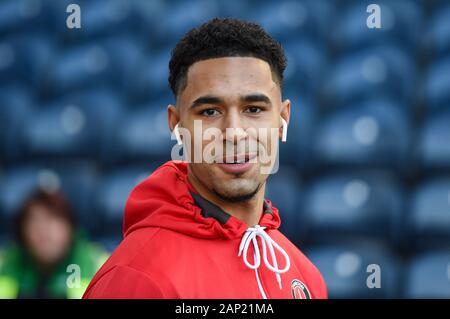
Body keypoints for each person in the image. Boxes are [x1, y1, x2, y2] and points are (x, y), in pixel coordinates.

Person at [83, 17, 327, 299]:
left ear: (283, 118)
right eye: (210, 112)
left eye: (254, 109)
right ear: (177, 125)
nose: (234, 133)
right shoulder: (136, 277)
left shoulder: (305, 277)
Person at [0, 188, 108, 298]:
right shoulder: (3, 264)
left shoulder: (103, 268)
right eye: (35, 221)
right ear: (22, 231)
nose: (43, 230)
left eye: (53, 220)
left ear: (71, 228)